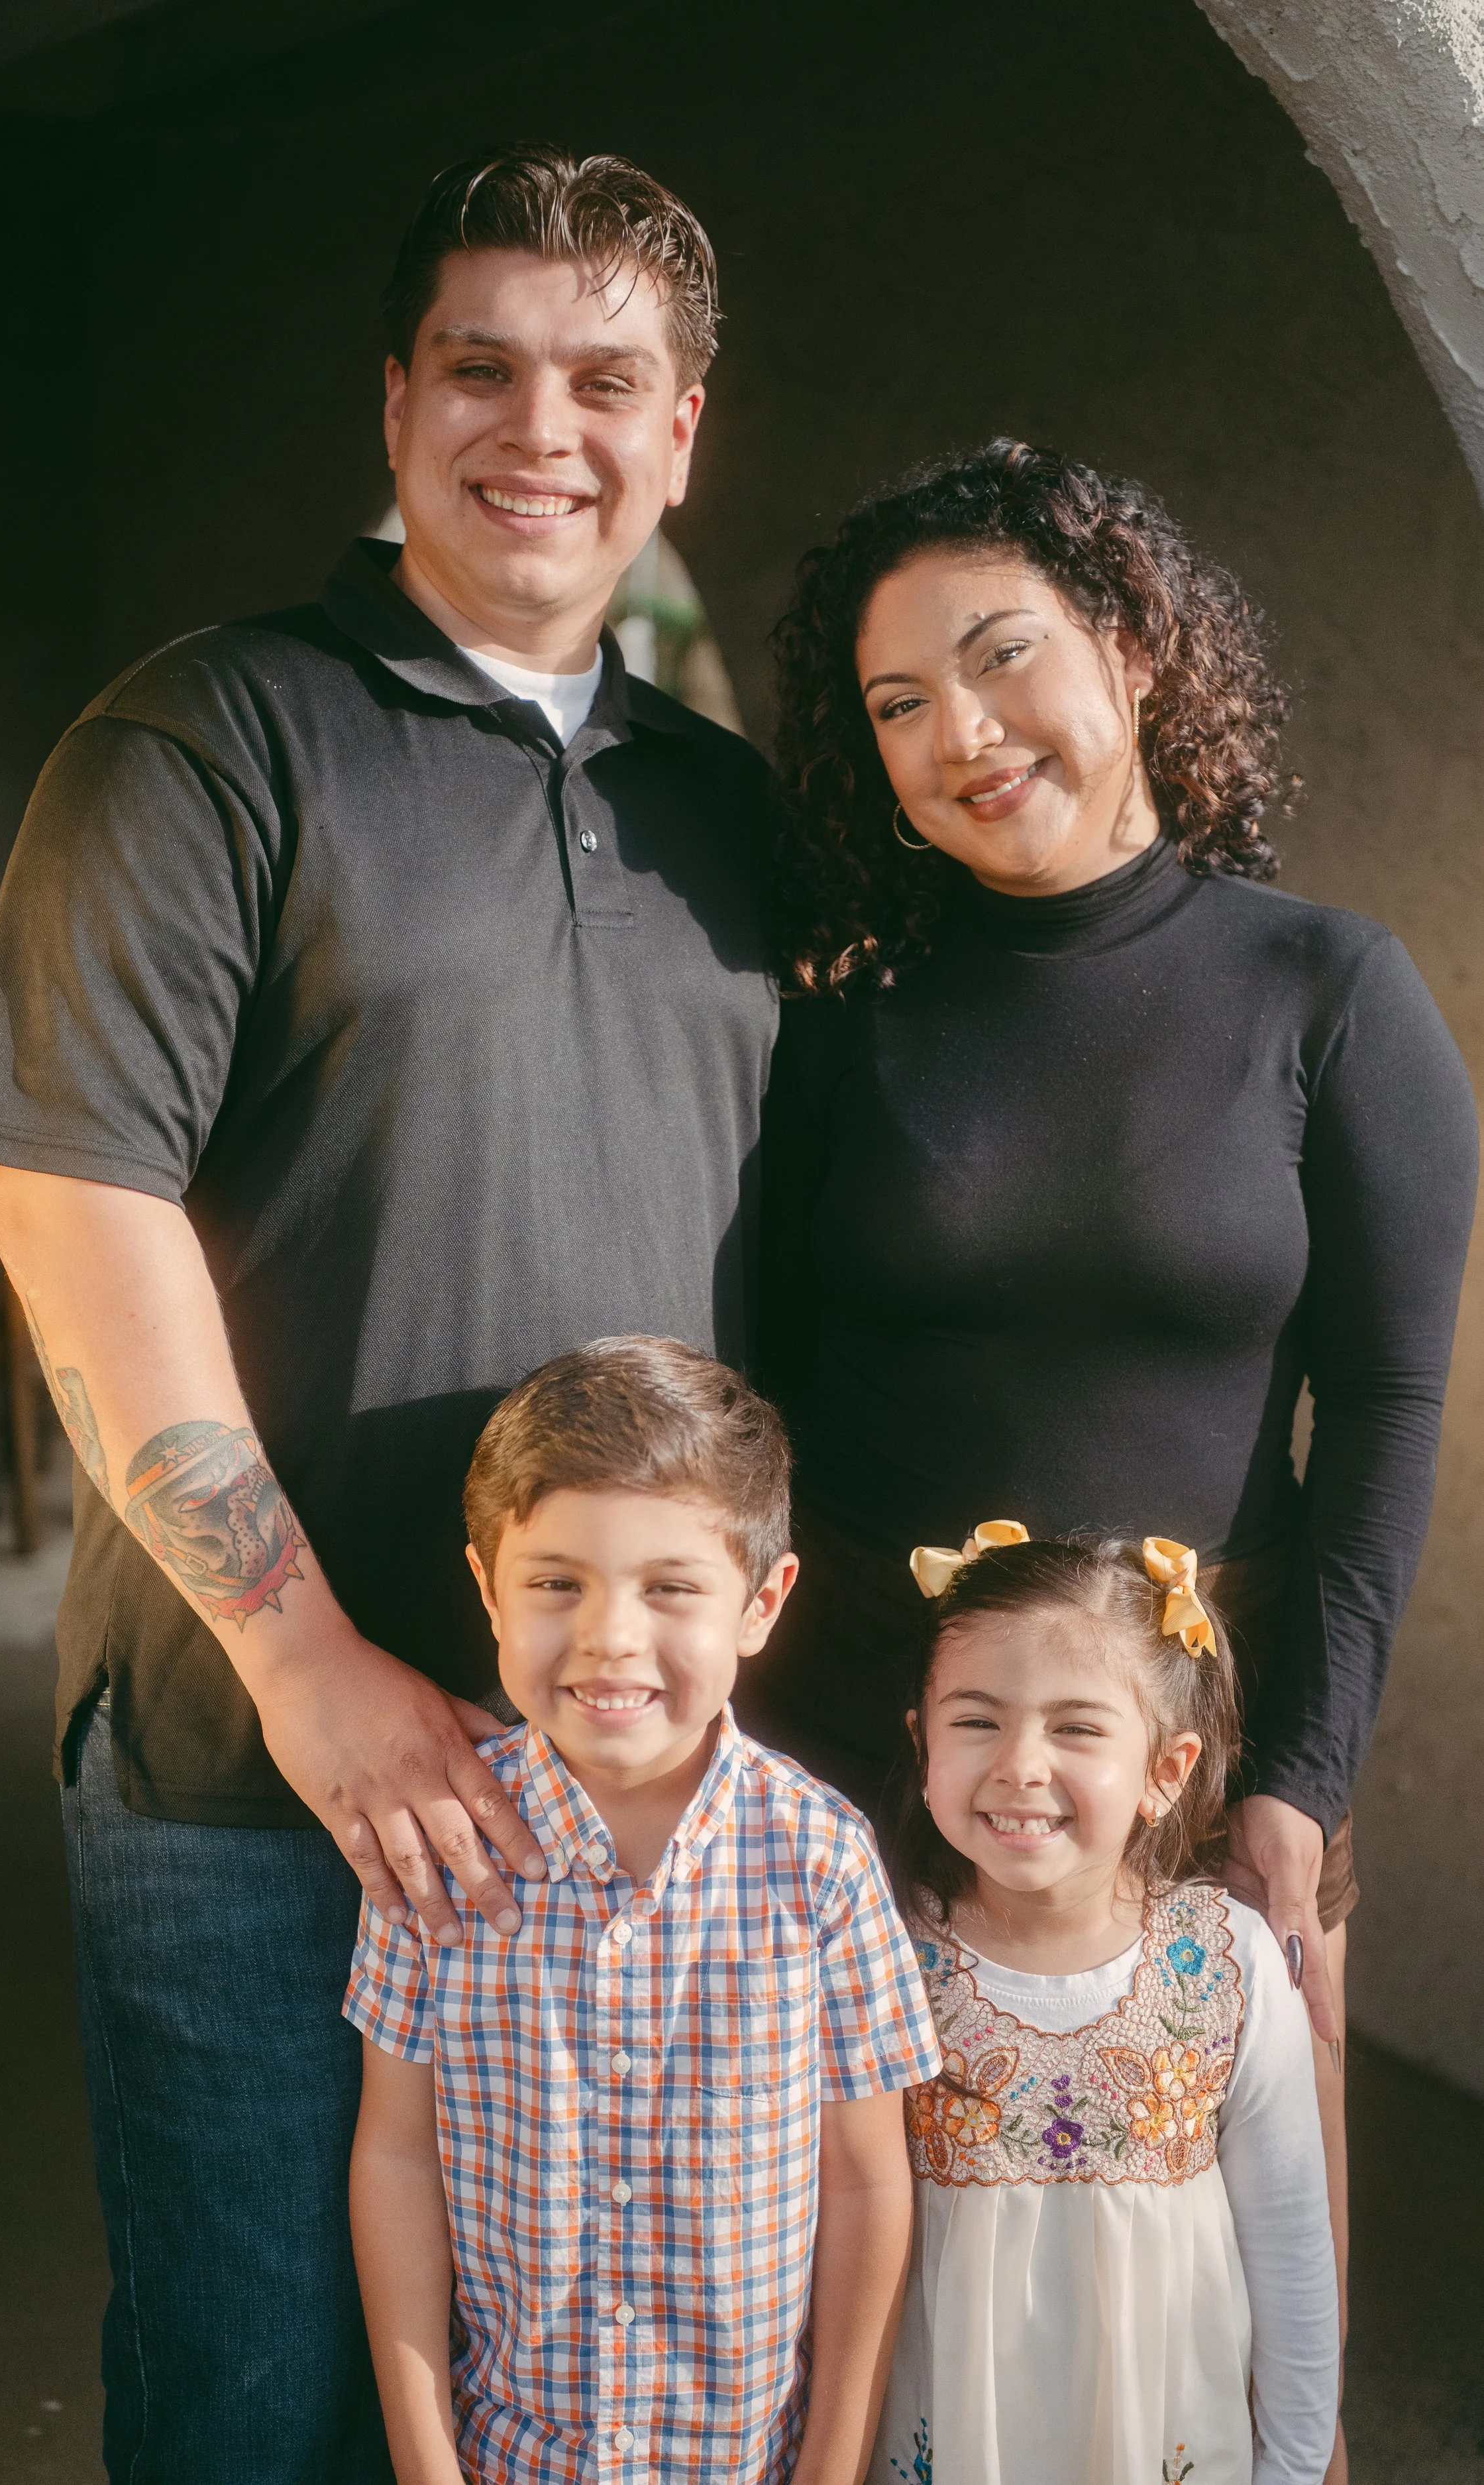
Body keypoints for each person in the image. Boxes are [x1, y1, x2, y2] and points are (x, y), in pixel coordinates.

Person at [0, 148, 780, 2481]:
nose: (546, 429)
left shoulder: (733, 810)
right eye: (484, 368)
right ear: (393, 401)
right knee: (259, 2401)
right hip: (260, 1784)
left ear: (682, 430)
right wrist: (308, 1666)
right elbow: (71, 1205)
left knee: (583, 2403)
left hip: (623, 1792)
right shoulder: (205, 742)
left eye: (609, 381)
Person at [751, 439, 1478, 2478]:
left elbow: (1385, 1414)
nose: (959, 735)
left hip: (1186, 1777)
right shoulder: (849, 1012)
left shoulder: (1327, 992)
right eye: (896, 703)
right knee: (885, 2352)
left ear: (1136, 644)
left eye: (1000, 658)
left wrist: (1298, 1788)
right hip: (873, 1779)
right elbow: (773, 1383)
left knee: (1232, 2356)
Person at [346, 1335, 942, 2485]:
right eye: (556, 1582)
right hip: (511, 2457)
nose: (611, 1634)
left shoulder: (822, 1863)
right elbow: (396, 2155)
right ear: (488, 1588)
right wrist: (425, 2464)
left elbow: (867, 2182)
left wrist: (831, 2470)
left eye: (671, 1587)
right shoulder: (440, 1852)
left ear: (761, 1602)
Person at [871, 1523, 1338, 2485]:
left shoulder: (1227, 1964)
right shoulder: (881, 1955)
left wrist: (1293, 2465)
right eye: (976, 1720)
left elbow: (1291, 2247)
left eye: (1077, 1727)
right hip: (950, 2439)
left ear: (1166, 1772)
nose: (1020, 1764)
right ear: (922, 1741)